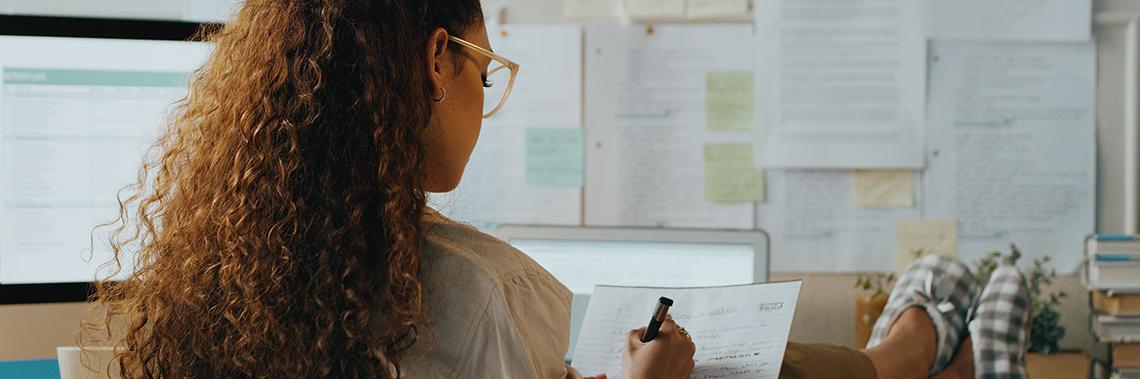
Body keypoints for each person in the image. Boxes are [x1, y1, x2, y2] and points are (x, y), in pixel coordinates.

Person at [81, 0, 1032, 378]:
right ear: (435, 61)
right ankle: (924, 337)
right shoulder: (480, 288)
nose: (483, 91)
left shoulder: (212, 288)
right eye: (486, 70)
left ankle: (922, 333)